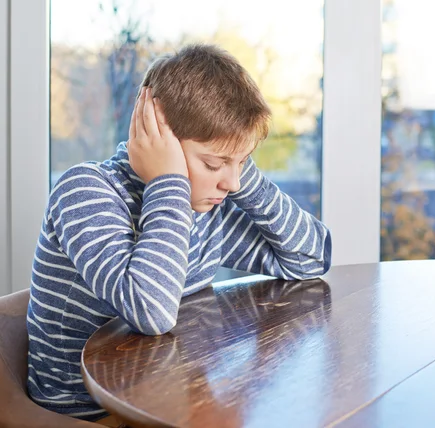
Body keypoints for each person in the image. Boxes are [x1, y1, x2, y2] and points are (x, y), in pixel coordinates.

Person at [26, 43, 332, 423]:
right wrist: (168, 180)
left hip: (172, 393)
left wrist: (240, 168)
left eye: (243, 164)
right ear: (160, 137)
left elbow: (311, 257)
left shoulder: (202, 205)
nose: (231, 183)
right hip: (93, 415)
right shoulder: (86, 192)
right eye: (213, 163)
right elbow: (151, 311)